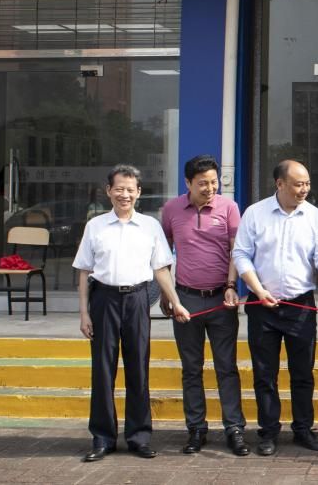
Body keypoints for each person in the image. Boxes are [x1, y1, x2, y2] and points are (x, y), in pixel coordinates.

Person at [73, 165, 190, 463]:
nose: (124, 194)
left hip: (137, 300)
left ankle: (139, 437)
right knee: (103, 370)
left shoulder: (150, 226)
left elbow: (161, 269)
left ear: (138, 192)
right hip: (103, 300)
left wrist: (175, 302)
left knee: (138, 368)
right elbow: (84, 271)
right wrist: (84, 314)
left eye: (130, 189)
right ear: (108, 191)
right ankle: (102, 438)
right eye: (119, 189)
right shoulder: (95, 226)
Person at [232, 160, 318, 457]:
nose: (304, 189)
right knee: (264, 374)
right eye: (298, 184)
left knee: (303, 372)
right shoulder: (255, 213)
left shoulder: (315, 216)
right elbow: (241, 255)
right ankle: (268, 431)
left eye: (307, 183)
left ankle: (303, 428)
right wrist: (258, 290)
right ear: (280, 184)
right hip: (262, 306)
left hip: (301, 305)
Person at [160, 155, 249, 457]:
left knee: (227, 367)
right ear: (188, 183)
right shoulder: (171, 210)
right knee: (191, 369)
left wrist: (231, 285)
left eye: (214, 182)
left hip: (221, 300)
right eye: (202, 183)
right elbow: (163, 255)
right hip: (185, 300)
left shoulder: (229, 208)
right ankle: (196, 428)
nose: (210, 188)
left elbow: (237, 250)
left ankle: (234, 428)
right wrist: (167, 295)